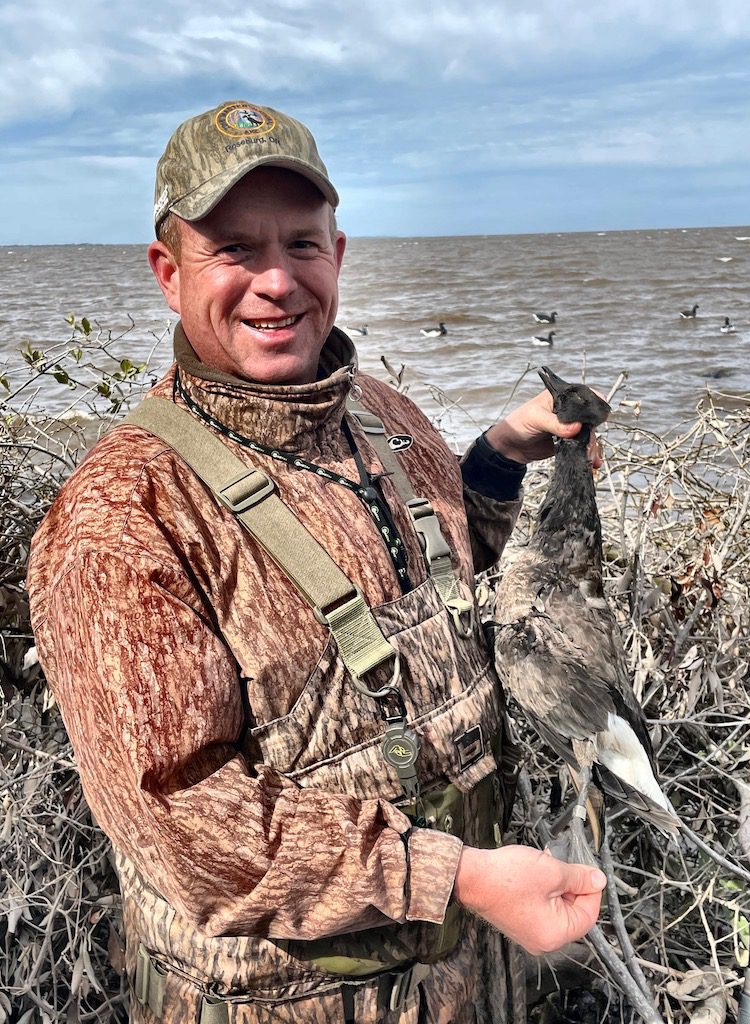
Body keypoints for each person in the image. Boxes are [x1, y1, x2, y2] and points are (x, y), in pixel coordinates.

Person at [28, 102, 606, 1023]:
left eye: (300, 244)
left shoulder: (378, 409)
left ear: (339, 253)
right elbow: (183, 825)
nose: (276, 282)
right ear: (168, 274)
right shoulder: (122, 518)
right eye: (233, 250)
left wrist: (500, 457)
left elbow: (441, 581)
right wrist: (458, 876)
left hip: (465, 974)